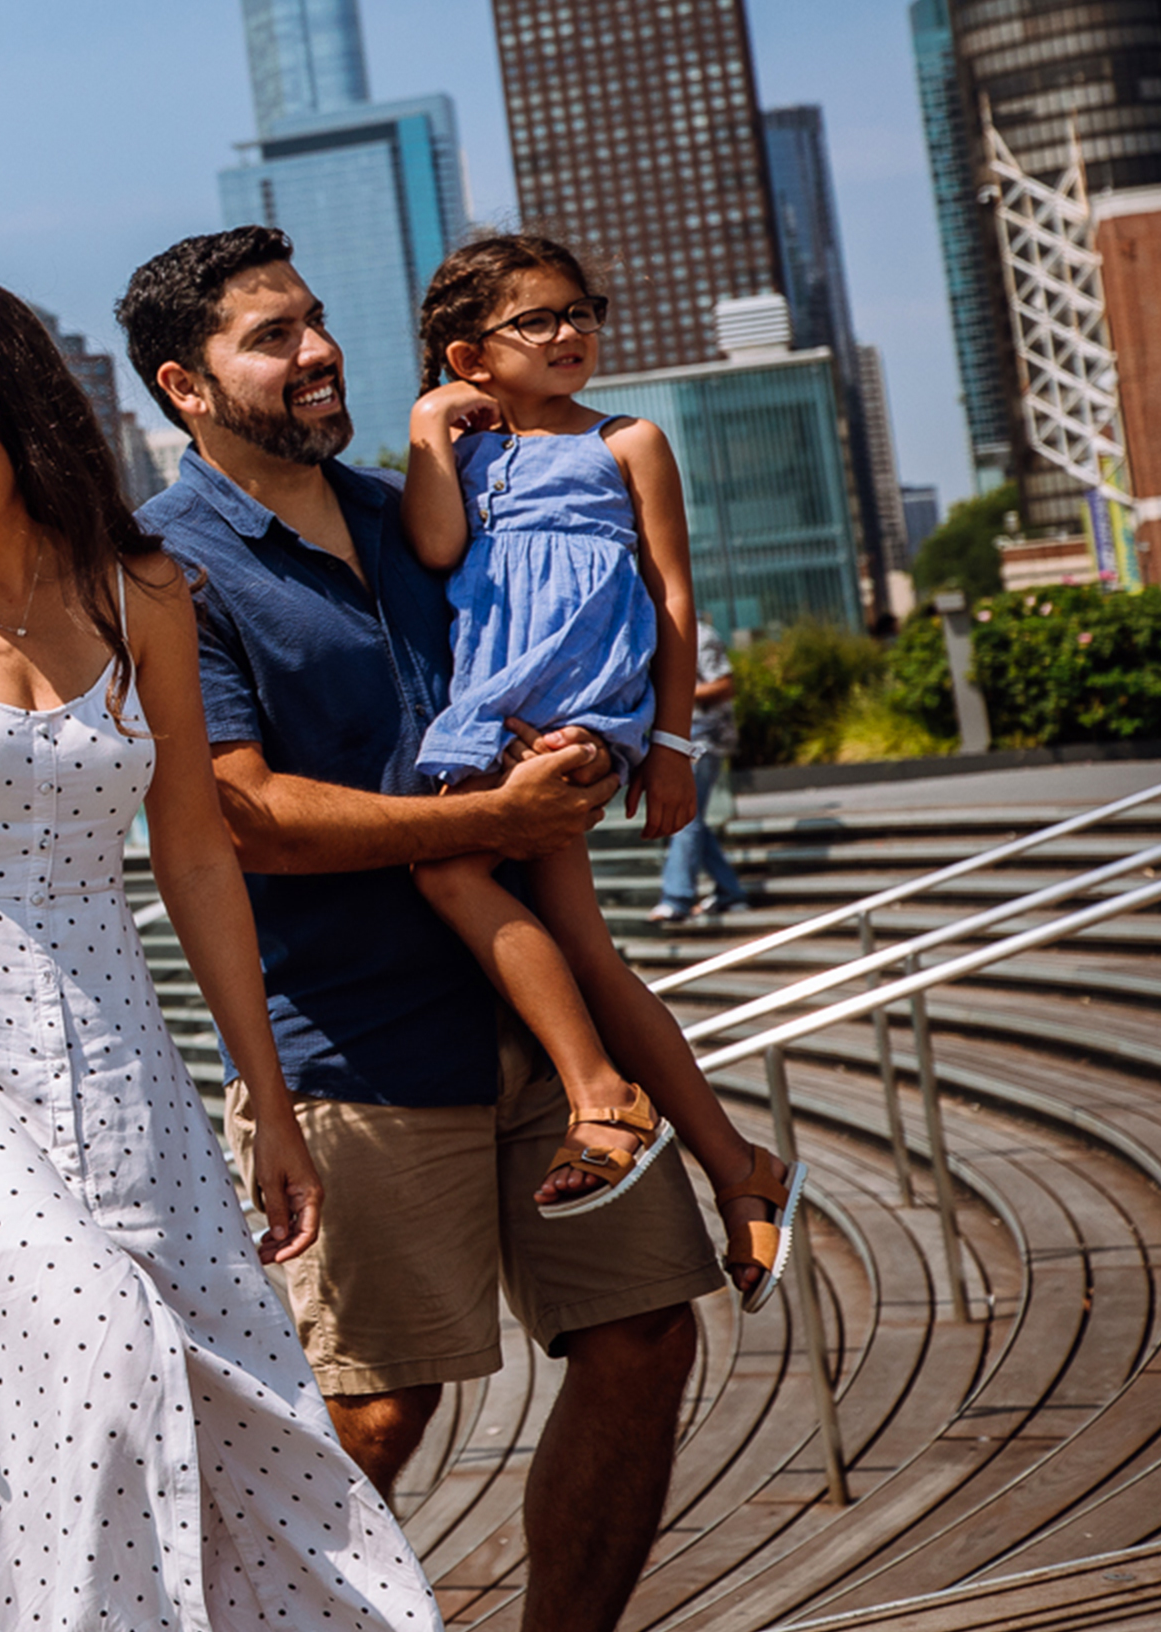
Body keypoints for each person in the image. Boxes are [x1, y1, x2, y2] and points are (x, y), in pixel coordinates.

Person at [0, 274, 433, 1630]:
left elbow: (195, 853)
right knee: (91, 1347)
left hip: (113, 1049)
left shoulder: (142, 589)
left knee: (222, 1385)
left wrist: (268, 1104)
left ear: (20, 418)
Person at [116, 227, 734, 1632]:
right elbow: (243, 815)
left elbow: (560, 634)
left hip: (537, 1012)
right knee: (374, 1412)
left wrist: (605, 742)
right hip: (358, 1040)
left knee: (643, 1338)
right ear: (186, 385)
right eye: (271, 337)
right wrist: (484, 824)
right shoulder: (170, 569)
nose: (318, 349)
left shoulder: (422, 505)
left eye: (316, 321)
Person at [395, 236, 805, 1276]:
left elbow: (673, 591)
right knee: (582, 940)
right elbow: (438, 549)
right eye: (538, 319)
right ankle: (739, 1163)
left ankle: (599, 1092)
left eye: (582, 310)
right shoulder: (468, 450)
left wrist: (668, 743)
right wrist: (428, 426)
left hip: (579, 710)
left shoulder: (628, 440)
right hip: (494, 709)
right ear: (468, 353)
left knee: (448, 866)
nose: (571, 331)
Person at [655, 617, 751, 926]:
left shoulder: (698, 634)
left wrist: (673, 694)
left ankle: (677, 898)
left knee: (685, 816)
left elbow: (725, 685)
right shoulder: (652, 633)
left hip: (702, 737)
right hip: (681, 736)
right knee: (690, 818)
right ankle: (730, 892)